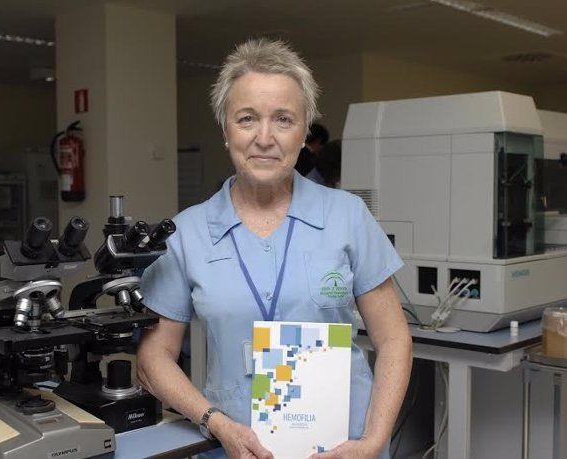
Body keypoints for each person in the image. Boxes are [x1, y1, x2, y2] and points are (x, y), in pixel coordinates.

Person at [137, 38, 412, 459]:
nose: (264, 137)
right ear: (225, 128)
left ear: (304, 133)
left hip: (347, 445)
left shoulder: (348, 217)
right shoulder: (187, 233)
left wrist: (372, 441)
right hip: (235, 444)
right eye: (247, 118)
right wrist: (215, 422)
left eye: (283, 119)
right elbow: (155, 354)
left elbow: (393, 339)